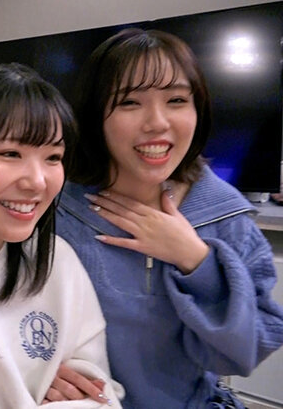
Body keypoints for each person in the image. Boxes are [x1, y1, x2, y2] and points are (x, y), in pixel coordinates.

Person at [54, 28, 283, 408]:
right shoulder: (57, 209)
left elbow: (246, 351)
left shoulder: (226, 216)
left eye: (176, 100)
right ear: (95, 115)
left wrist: (196, 260)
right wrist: (39, 369)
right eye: (130, 102)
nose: (157, 122)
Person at [0, 63, 124, 407]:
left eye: (53, 157)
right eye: (10, 154)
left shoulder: (57, 262)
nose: (37, 181)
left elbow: (98, 390)